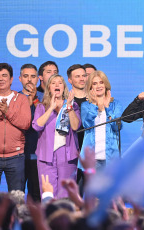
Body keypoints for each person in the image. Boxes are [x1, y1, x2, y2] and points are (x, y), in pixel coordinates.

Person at [32, 74, 81, 199]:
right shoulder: (41, 107)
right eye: (53, 83)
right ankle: (49, 218)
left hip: (67, 154)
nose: (57, 85)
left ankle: (65, 218)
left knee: (66, 193)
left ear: (64, 87)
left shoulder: (73, 106)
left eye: (60, 83)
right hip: (46, 156)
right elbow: (37, 126)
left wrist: (69, 107)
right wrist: (51, 108)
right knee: (48, 193)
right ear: (49, 88)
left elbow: (75, 126)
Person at [0, 63, 31, 192]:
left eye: (4, 75)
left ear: (11, 79)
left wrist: (7, 112)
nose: (0, 79)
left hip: (16, 156)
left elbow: (26, 123)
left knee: (16, 199)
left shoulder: (21, 99)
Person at [79, 70, 123, 171]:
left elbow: (117, 127)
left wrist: (107, 108)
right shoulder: (86, 105)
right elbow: (87, 125)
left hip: (111, 156)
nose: (98, 86)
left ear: (106, 84)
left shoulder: (116, 104)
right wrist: (95, 105)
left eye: (101, 82)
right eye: (94, 83)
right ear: (90, 87)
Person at [18, 63, 43, 201]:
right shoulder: (14, 98)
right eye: (25, 76)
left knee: (36, 195)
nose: (29, 80)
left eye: (33, 76)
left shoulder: (44, 98)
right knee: (17, 194)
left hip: (37, 154)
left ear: (38, 79)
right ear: (20, 78)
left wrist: (34, 100)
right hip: (17, 155)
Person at [66, 64, 88, 196]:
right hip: (71, 151)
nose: (81, 79)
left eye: (83, 75)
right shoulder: (66, 100)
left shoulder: (94, 99)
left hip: (90, 151)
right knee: (73, 193)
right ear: (70, 80)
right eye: (77, 76)